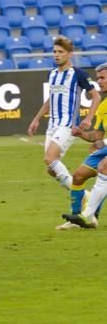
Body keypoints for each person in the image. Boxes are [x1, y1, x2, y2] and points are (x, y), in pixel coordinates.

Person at [27, 36, 100, 194]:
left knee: (49, 159)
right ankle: (84, 198)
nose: (56, 55)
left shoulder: (78, 74)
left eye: (60, 52)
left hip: (68, 124)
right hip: (52, 125)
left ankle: (82, 198)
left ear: (69, 54)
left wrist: (88, 118)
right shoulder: (52, 74)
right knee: (51, 169)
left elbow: (96, 96)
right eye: (54, 52)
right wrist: (36, 119)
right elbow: (51, 99)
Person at [60, 63, 107, 229]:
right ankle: (77, 219)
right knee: (79, 175)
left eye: (102, 78)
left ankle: (88, 216)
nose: (98, 82)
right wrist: (81, 134)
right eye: (97, 78)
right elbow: (97, 136)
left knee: (104, 167)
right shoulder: (102, 107)